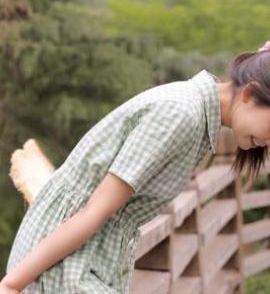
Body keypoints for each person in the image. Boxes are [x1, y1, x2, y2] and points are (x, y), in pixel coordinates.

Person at [1, 43, 270, 294]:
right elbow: (94, 212)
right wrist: (12, 285)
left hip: (86, 255)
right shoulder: (180, 115)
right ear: (248, 94)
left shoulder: (197, 115)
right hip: (66, 261)